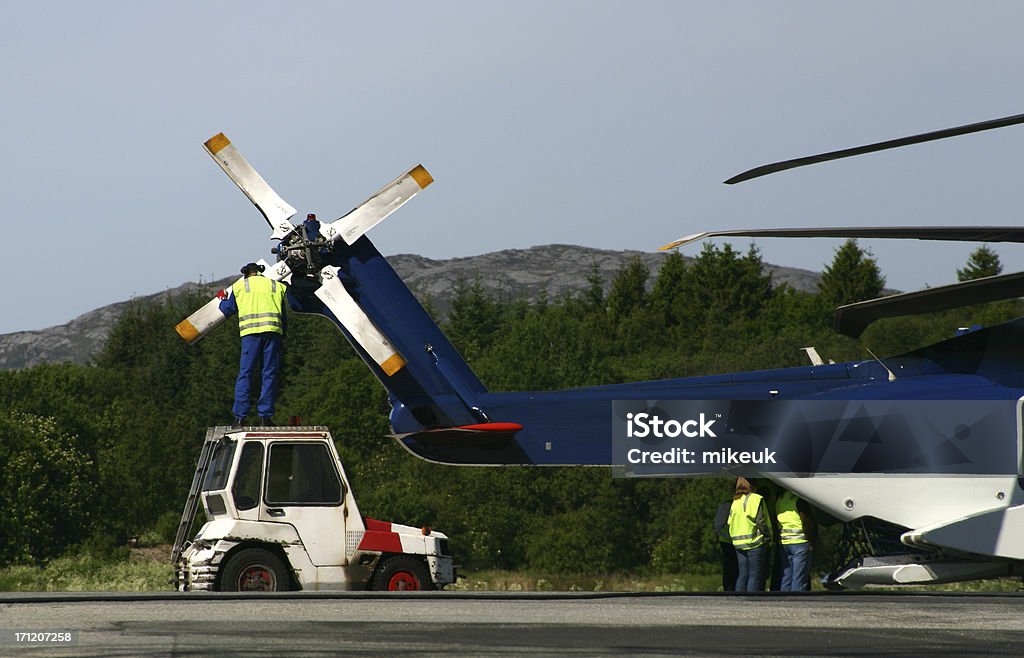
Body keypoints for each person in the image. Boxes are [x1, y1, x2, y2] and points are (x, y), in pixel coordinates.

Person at [219, 262, 288, 425]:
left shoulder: (239, 286)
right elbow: (283, 317)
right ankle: (266, 417)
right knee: (269, 374)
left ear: (246, 273)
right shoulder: (275, 285)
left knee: (246, 373)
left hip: (250, 335)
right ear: (259, 272)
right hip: (272, 333)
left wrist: (222, 298)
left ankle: (240, 417)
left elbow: (227, 310)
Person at [728, 477, 771, 592]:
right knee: (754, 575)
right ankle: (752, 603)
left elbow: (729, 522)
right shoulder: (756, 499)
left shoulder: (735, 501)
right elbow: (760, 521)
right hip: (754, 542)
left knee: (742, 575)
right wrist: (768, 536)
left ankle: (739, 601)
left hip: (738, 543)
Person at [776, 488, 814, 591]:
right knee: (799, 578)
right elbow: (806, 522)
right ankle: (797, 603)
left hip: (784, 542)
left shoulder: (780, 499)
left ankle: (783, 602)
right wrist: (810, 541)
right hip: (799, 542)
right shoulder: (799, 499)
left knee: (786, 577)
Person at [713, 497, 738, 591]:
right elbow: (719, 525)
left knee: (734, 568)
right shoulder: (727, 505)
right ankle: (728, 588)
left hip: (735, 540)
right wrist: (729, 535)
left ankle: (731, 587)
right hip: (728, 542)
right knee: (730, 566)